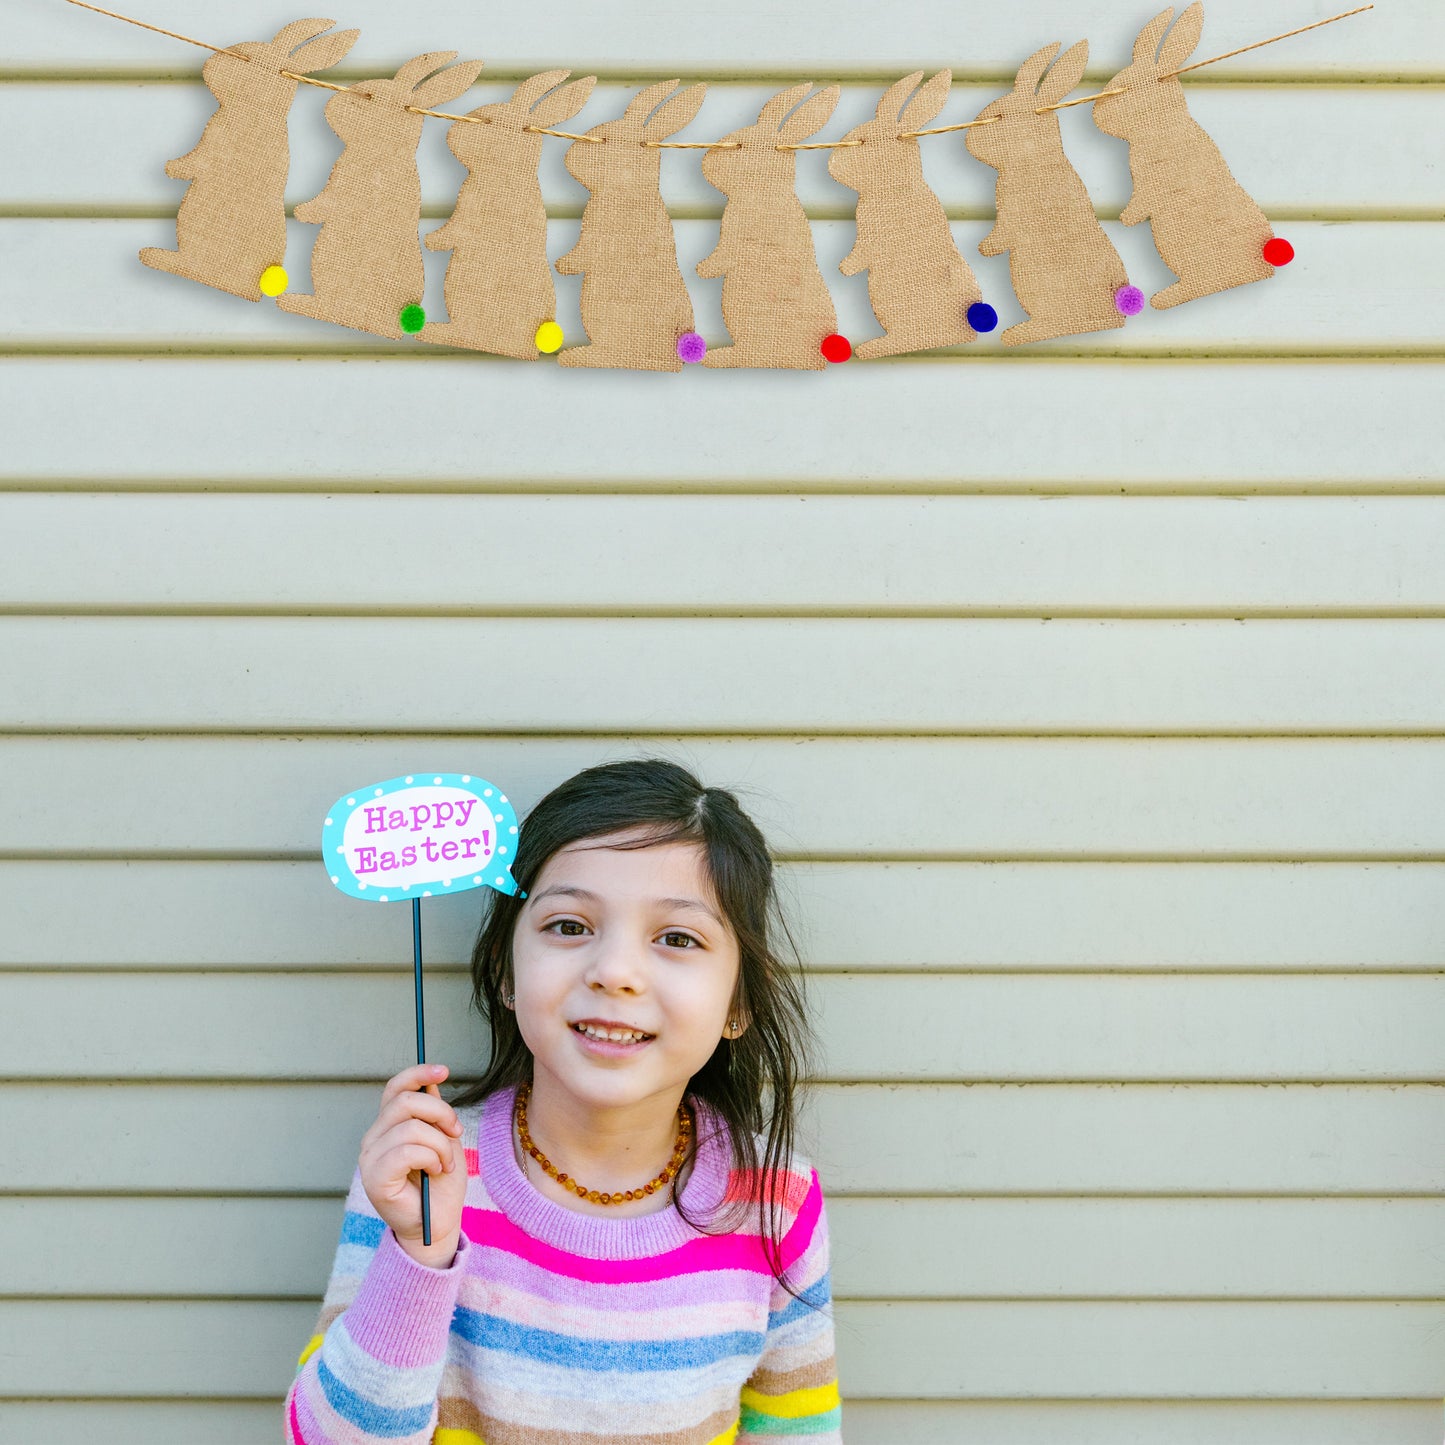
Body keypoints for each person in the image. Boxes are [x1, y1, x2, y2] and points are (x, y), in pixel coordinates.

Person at [284, 758, 842, 1443]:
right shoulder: (422, 1172)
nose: (613, 971)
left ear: (738, 1003)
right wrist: (417, 1256)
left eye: (677, 937)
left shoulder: (774, 1196)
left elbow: (797, 1430)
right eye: (569, 925)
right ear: (505, 973)